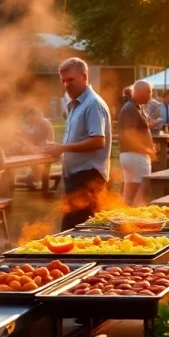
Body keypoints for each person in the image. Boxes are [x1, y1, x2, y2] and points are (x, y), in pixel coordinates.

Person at [44, 57, 112, 231]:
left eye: (71, 80)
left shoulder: (93, 104)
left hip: (89, 178)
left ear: (84, 76)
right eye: (64, 80)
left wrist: (63, 148)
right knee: (78, 229)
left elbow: (98, 141)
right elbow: (78, 139)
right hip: (77, 177)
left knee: (75, 230)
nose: (66, 84)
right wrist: (57, 149)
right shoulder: (75, 105)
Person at [119, 80, 157, 206]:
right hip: (136, 156)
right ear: (139, 91)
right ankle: (138, 220)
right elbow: (129, 134)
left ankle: (126, 221)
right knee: (141, 192)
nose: (151, 95)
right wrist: (146, 149)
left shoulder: (135, 107)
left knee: (129, 195)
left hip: (131, 156)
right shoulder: (131, 108)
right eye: (149, 92)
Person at [17, 107, 55, 189]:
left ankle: (33, 176)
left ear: (35, 115)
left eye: (29, 116)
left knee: (26, 151)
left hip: (46, 149)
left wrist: (25, 134)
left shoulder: (43, 122)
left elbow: (39, 139)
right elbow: (35, 139)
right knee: (25, 149)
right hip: (41, 149)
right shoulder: (37, 124)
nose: (28, 119)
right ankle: (32, 176)